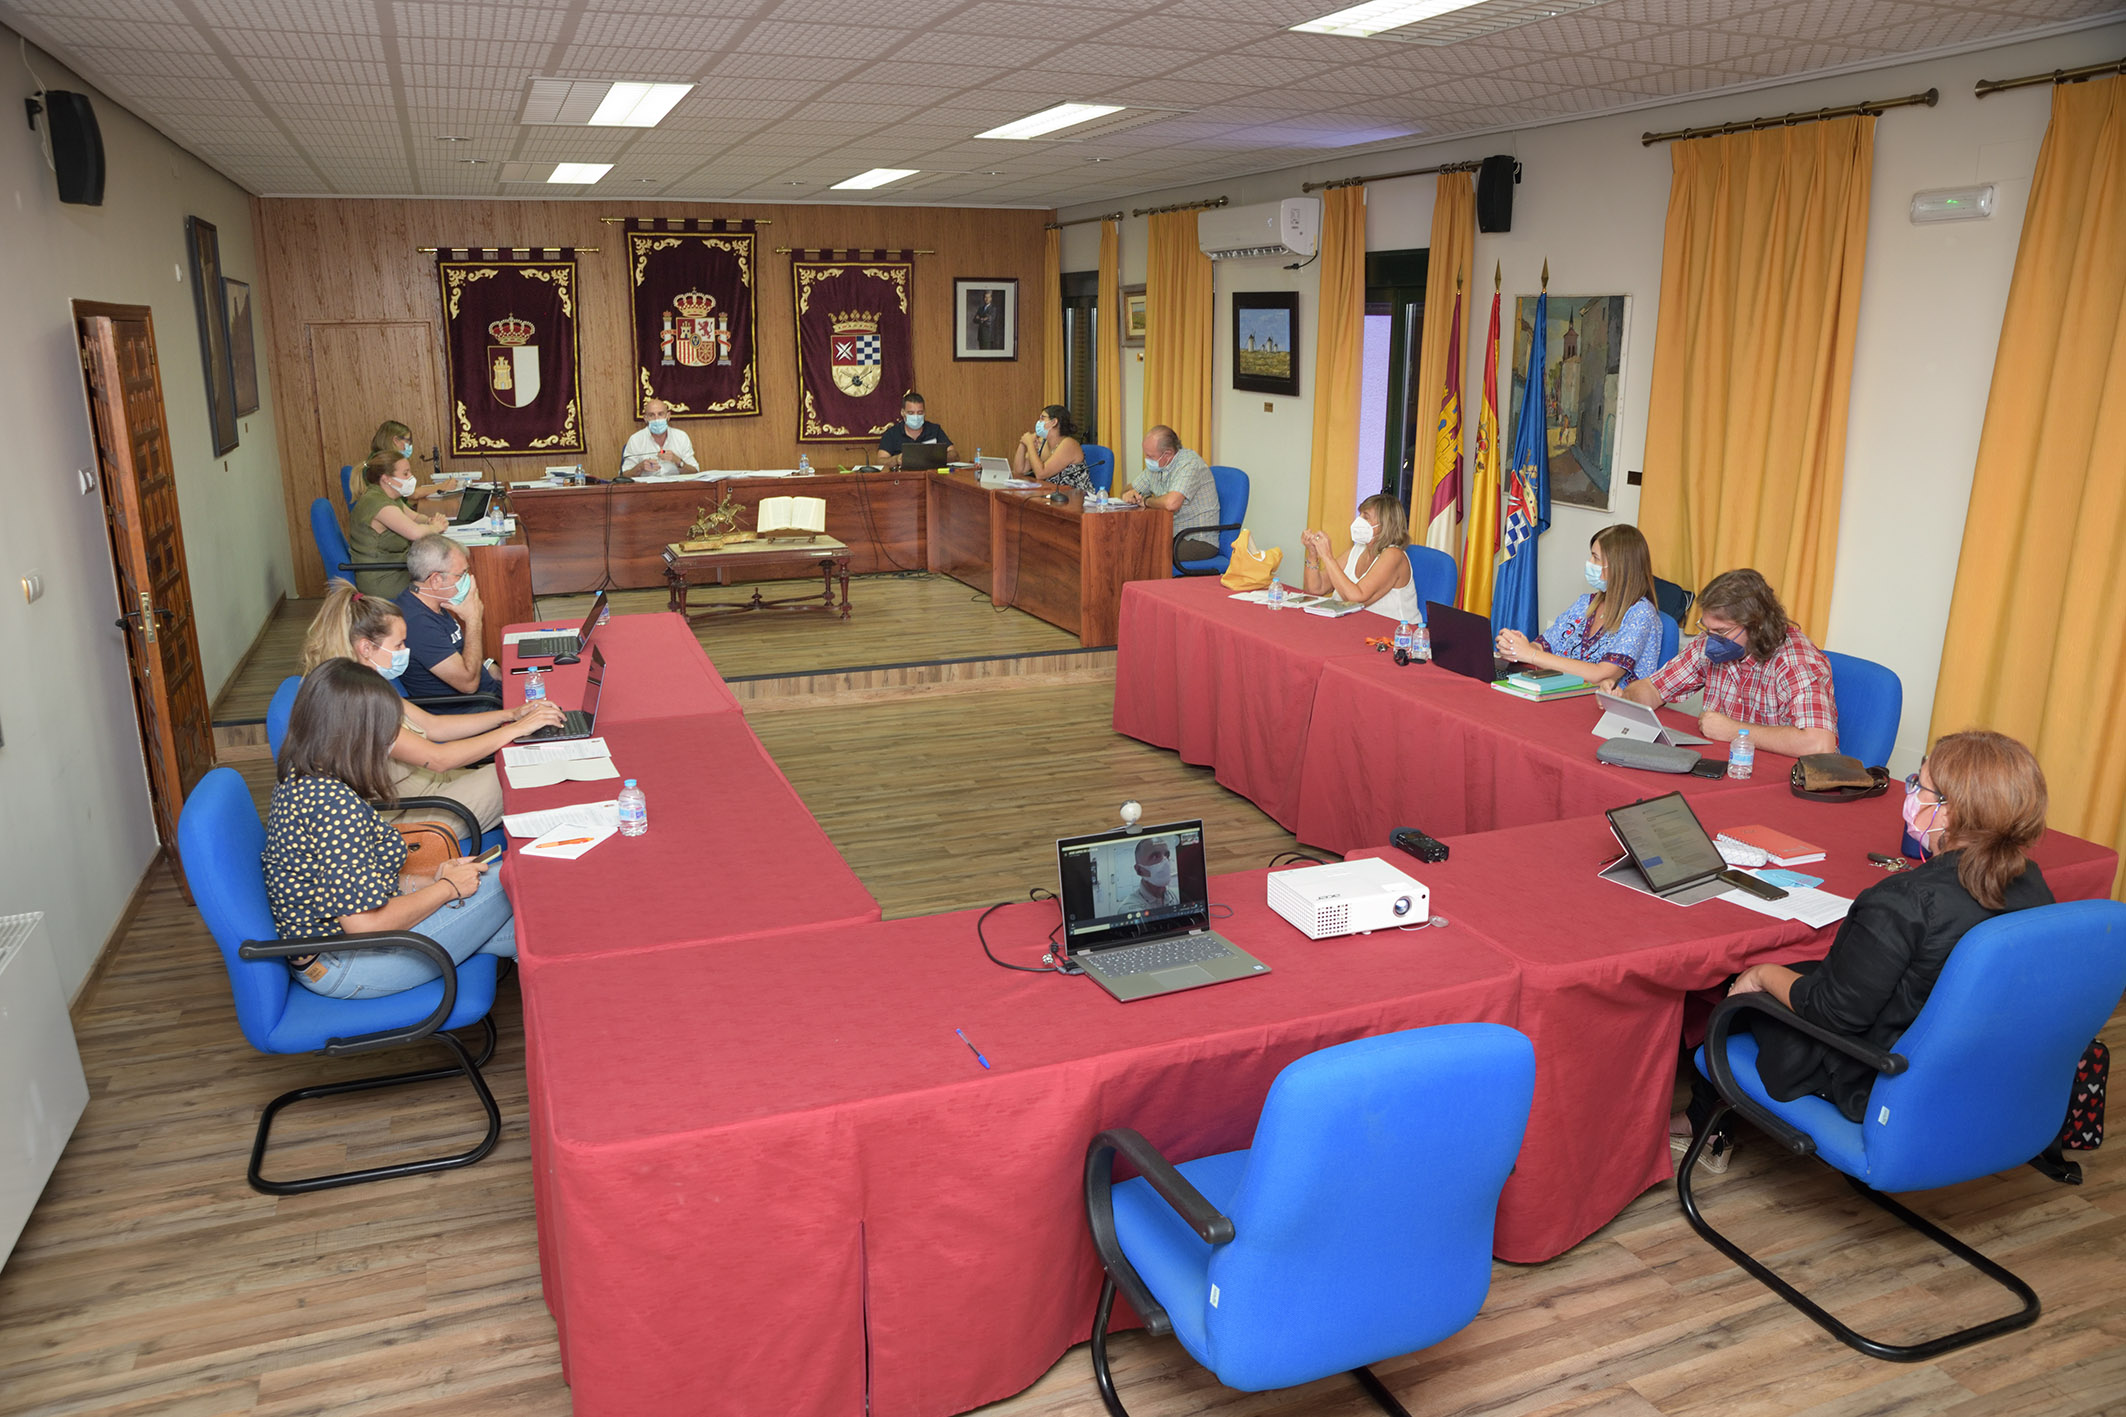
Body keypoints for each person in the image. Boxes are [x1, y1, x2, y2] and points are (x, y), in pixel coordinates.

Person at [1676, 730, 2054, 1170]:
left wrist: (1759, 973)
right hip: (1967, 1064)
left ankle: (1705, 1126)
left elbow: (1832, 1014)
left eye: (1919, 786)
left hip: (1871, 1074)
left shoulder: (1903, 901)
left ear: (1949, 811)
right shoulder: (2032, 882)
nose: (1909, 794)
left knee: (1734, 984)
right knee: (1801, 967)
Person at [263, 659, 518, 1000]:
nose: (388, 743)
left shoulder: (303, 772)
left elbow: (354, 883)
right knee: (516, 876)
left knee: (533, 923)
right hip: (350, 962)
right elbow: (363, 926)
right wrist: (447, 889)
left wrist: (430, 880)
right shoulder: (334, 806)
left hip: (347, 947)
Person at [300, 584, 565, 831]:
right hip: (415, 813)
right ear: (366, 648)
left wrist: (510, 715)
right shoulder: (356, 702)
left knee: (527, 761)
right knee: (531, 770)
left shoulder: (363, 683)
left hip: (431, 787)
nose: (405, 650)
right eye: (399, 644)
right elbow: (439, 759)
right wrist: (516, 729)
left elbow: (434, 726)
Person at [1622, 567, 1838, 756]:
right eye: (1707, 628)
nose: (1711, 638)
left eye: (1721, 631)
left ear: (1757, 625)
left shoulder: (1796, 661)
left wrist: (1735, 731)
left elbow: (1819, 744)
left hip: (1782, 777)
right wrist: (1626, 698)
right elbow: (1654, 688)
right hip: (1726, 763)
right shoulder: (1710, 643)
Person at [1495, 524, 1665, 687]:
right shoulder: (1585, 603)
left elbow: (1601, 675)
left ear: (1619, 567)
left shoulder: (1641, 614)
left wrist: (1530, 654)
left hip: (1604, 703)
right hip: (1561, 692)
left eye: (1596, 558)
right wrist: (1517, 647)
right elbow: (1544, 646)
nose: (1589, 562)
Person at [395, 535, 501, 710]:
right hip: (473, 710)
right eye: (461, 574)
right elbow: (469, 685)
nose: (468, 579)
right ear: (436, 580)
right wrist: (474, 620)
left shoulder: (433, 602)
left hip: (488, 694)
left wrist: (488, 667)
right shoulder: (418, 624)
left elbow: (459, 651)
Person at [346, 448, 448, 598]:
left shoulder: (388, 496)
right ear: (386, 479)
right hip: (384, 580)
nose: (411, 477)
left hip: (394, 569)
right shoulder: (378, 504)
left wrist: (429, 520)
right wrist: (436, 527)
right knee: (444, 582)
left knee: (442, 574)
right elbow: (415, 533)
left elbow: (414, 517)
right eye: (405, 474)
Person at [1299, 493, 1417, 622]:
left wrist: (1327, 556)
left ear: (1385, 524)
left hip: (1396, 631)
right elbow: (1316, 589)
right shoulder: (1358, 549)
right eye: (1360, 515)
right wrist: (1313, 554)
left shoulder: (1394, 555)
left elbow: (1355, 599)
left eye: (1365, 517)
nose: (1358, 521)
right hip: (1355, 623)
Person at [1120, 426, 1220, 561]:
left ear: (1167, 454)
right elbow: (1128, 489)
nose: (1147, 459)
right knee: (1128, 542)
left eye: (1150, 456)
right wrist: (1128, 494)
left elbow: (1171, 503)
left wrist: (1146, 501)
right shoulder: (1157, 467)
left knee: (1144, 553)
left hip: (1197, 539)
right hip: (1171, 534)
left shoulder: (1189, 464)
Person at [1011, 404, 1090, 492]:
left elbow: (1041, 474)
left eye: (1042, 418)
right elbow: (1019, 471)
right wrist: (1023, 444)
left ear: (1054, 422)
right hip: (1049, 491)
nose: (1039, 422)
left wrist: (1030, 444)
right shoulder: (1042, 441)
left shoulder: (1069, 444)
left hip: (1074, 494)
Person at [876, 391, 954, 469]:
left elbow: (954, 454)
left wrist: (935, 457)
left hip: (931, 474)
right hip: (902, 475)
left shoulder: (935, 430)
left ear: (924, 412)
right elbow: (880, 461)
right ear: (902, 413)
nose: (916, 417)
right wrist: (896, 460)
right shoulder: (892, 433)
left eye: (920, 413)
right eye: (911, 413)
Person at [620, 399, 698, 476]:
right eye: (651, 415)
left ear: (668, 416)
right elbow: (623, 475)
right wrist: (640, 467)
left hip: (675, 484)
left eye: (660, 414)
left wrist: (678, 461)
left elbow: (695, 471)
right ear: (645, 418)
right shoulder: (635, 439)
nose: (656, 419)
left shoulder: (681, 437)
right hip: (647, 484)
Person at [1123, 837, 1179, 914]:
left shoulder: (1174, 896)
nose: (1165, 862)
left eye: (1167, 855)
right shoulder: (1129, 907)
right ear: (1139, 870)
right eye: (1155, 856)